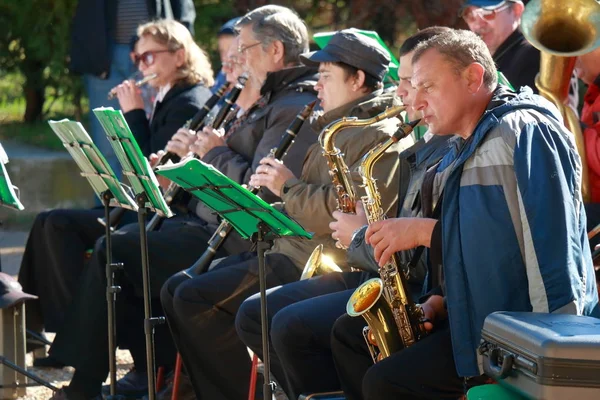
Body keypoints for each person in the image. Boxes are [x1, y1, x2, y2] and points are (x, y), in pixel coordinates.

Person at [343, 28, 599, 400]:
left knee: (386, 383)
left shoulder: (525, 130)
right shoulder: (465, 143)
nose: (417, 100)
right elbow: (494, 249)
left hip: (525, 341)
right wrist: (442, 301)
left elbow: (552, 256)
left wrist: (547, 359)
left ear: (473, 77)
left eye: (427, 86)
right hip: (485, 327)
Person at [160, 23, 406, 400]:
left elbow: (341, 211)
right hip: (290, 246)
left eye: (325, 76)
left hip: (319, 258)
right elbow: (309, 199)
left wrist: (286, 187)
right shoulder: (335, 125)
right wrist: (263, 208)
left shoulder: (374, 134)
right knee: (179, 288)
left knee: (199, 299)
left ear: (358, 79)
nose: (317, 85)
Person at [234, 26, 454, 400]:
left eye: (415, 83)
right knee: (260, 315)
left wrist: (289, 189)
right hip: (365, 261)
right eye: (402, 81)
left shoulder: (385, 132)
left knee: (294, 326)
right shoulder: (342, 128)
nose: (402, 92)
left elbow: (361, 218)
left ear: (357, 79)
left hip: (383, 268)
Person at [42, 19, 217, 400]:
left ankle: (98, 358)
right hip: (152, 211)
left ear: (180, 55)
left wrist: (134, 115)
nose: (140, 65)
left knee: (106, 244)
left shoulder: (189, 99)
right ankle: (66, 330)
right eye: (137, 57)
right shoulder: (166, 94)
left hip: (179, 219)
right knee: (53, 225)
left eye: (148, 55)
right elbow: (148, 168)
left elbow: (145, 175)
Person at [69, 0, 196, 178]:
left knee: (155, 143)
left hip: (156, 50)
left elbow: (153, 153)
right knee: (107, 147)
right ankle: (109, 204)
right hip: (105, 52)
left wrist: (182, 36)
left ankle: (143, 201)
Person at [459, 0, 578, 111]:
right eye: (470, 16)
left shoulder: (536, 53)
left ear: (516, 10)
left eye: (487, 12)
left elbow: (561, 116)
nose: (478, 25)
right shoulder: (491, 58)